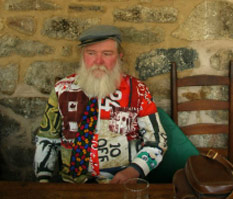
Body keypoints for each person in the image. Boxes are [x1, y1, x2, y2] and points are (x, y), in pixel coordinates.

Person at [34, 25, 167, 184]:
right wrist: (43, 181)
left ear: (119, 57)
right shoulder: (61, 90)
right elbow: (47, 140)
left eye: (107, 54)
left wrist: (134, 171)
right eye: (91, 53)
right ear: (83, 56)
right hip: (72, 184)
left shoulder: (138, 90)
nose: (98, 61)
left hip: (121, 183)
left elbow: (158, 142)